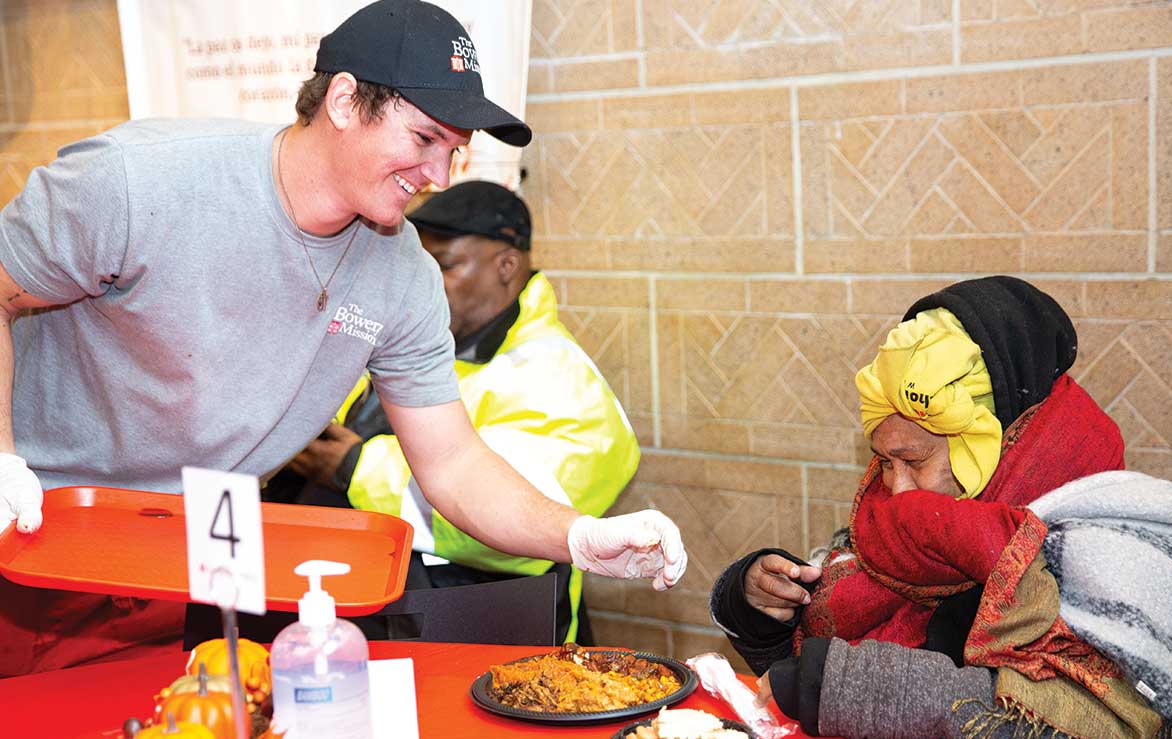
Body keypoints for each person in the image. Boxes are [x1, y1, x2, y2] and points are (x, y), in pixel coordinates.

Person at [0, 0, 685, 678]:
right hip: (31, 538)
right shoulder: (134, 182)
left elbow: (451, 465)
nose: (438, 177)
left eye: (455, 153)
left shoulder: (404, 275)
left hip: (185, 567)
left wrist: (576, 537)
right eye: (424, 140)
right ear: (346, 100)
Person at [709, 276, 1172, 739]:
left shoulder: (1114, 547)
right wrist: (761, 613)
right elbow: (803, 688)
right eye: (883, 461)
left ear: (999, 439)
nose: (894, 490)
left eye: (915, 461)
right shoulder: (901, 536)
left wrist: (880, 690)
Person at [269, 180, 640, 644]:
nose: (425, 281)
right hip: (362, 619)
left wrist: (353, 467)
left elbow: (525, 523)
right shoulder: (413, 341)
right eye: (419, 263)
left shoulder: (557, 374)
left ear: (506, 266)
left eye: (445, 265)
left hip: (488, 641)